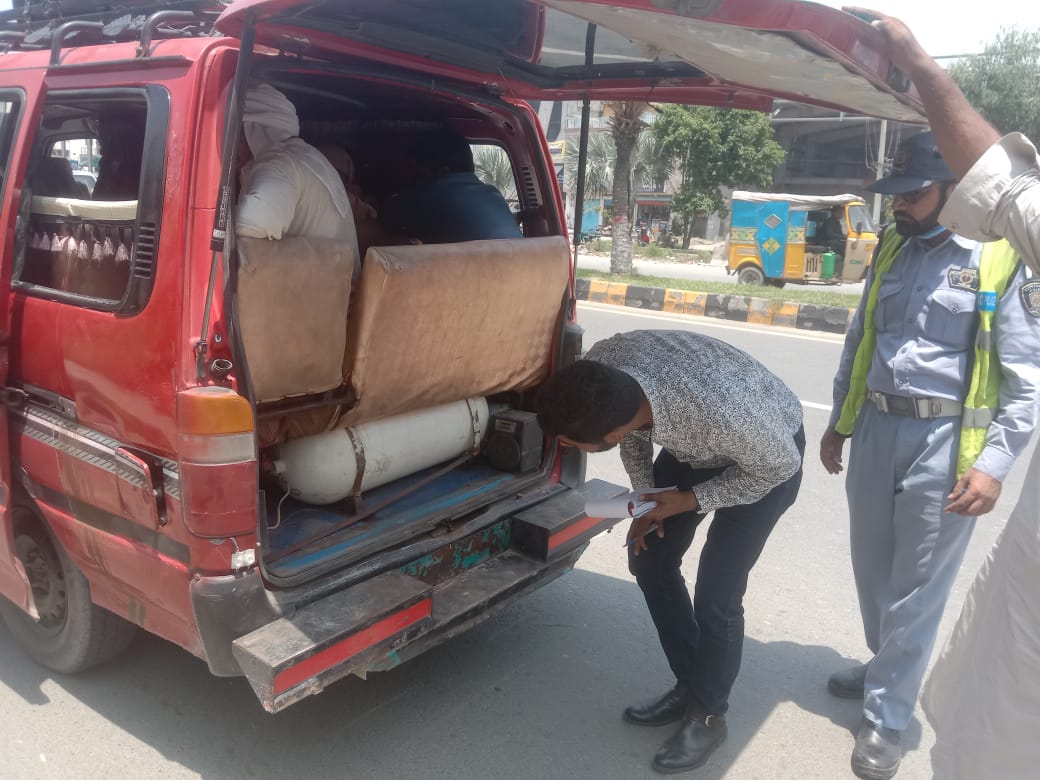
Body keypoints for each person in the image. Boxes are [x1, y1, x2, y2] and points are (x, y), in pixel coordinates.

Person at [846, 7, 1040, 778]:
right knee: (872, 572)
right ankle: (879, 671)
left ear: (949, 186)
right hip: (876, 433)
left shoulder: (999, 254)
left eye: (911, 192)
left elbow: (1024, 378)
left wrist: (993, 462)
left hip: (943, 442)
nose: (897, 203)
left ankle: (886, 723)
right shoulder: (892, 242)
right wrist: (840, 422)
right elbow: (863, 338)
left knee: (917, 591)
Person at [535, 330, 805, 774]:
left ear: (614, 431)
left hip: (765, 458)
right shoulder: (607, 368)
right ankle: (692, 683)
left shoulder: (722, 413)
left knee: (718, 597)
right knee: (649, 558)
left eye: (572, 444)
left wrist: (687, 500)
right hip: (695, 438)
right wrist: (647, 499)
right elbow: (635, 438)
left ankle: (708, 715)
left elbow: (777, 468)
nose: (568, 449)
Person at [234, 84, 360, 279]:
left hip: (315, 301)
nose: (233, 150)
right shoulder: (306, 155)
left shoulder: (279, 163)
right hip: (331, 295)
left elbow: (255, 223)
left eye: (236, 137)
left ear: (250, 132)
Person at [377, 125, 522, 244]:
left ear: (443, 171)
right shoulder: (493, 194)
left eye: (419, 173)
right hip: (524, 273)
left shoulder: (432, 193)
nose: (415, 181)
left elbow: (381, 217)